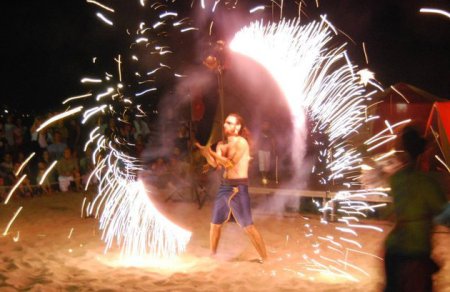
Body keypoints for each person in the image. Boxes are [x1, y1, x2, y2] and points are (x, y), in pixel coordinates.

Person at [195, 113, 267, 262]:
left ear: (238, 127)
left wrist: (211, 152)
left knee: (248, 226)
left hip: (239, 188)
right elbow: (217, 164)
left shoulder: (242, 143)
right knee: (215, 224)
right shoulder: (221, 144)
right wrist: (206, 154)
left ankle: (264, 258)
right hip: (224, 187)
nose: (225, 125)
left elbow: (229, 163)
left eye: (230, 123)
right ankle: (212, 254)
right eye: (226, 122)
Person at [384, 126, 446, 292]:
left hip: (393, 249)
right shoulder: (427, 184)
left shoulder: (396, 179)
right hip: (415, 253)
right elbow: (444, 214)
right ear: (423, 153)